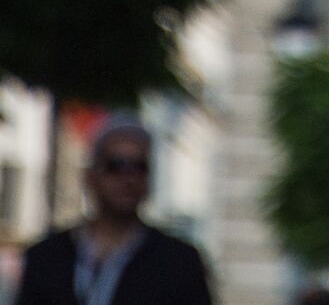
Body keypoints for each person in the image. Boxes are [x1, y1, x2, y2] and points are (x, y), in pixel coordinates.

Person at [14, 116, 214, 305]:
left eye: (139, 167)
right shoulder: (47, 257)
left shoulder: (178, 263)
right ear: (90, 176)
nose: (128, 178)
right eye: (116, 166)